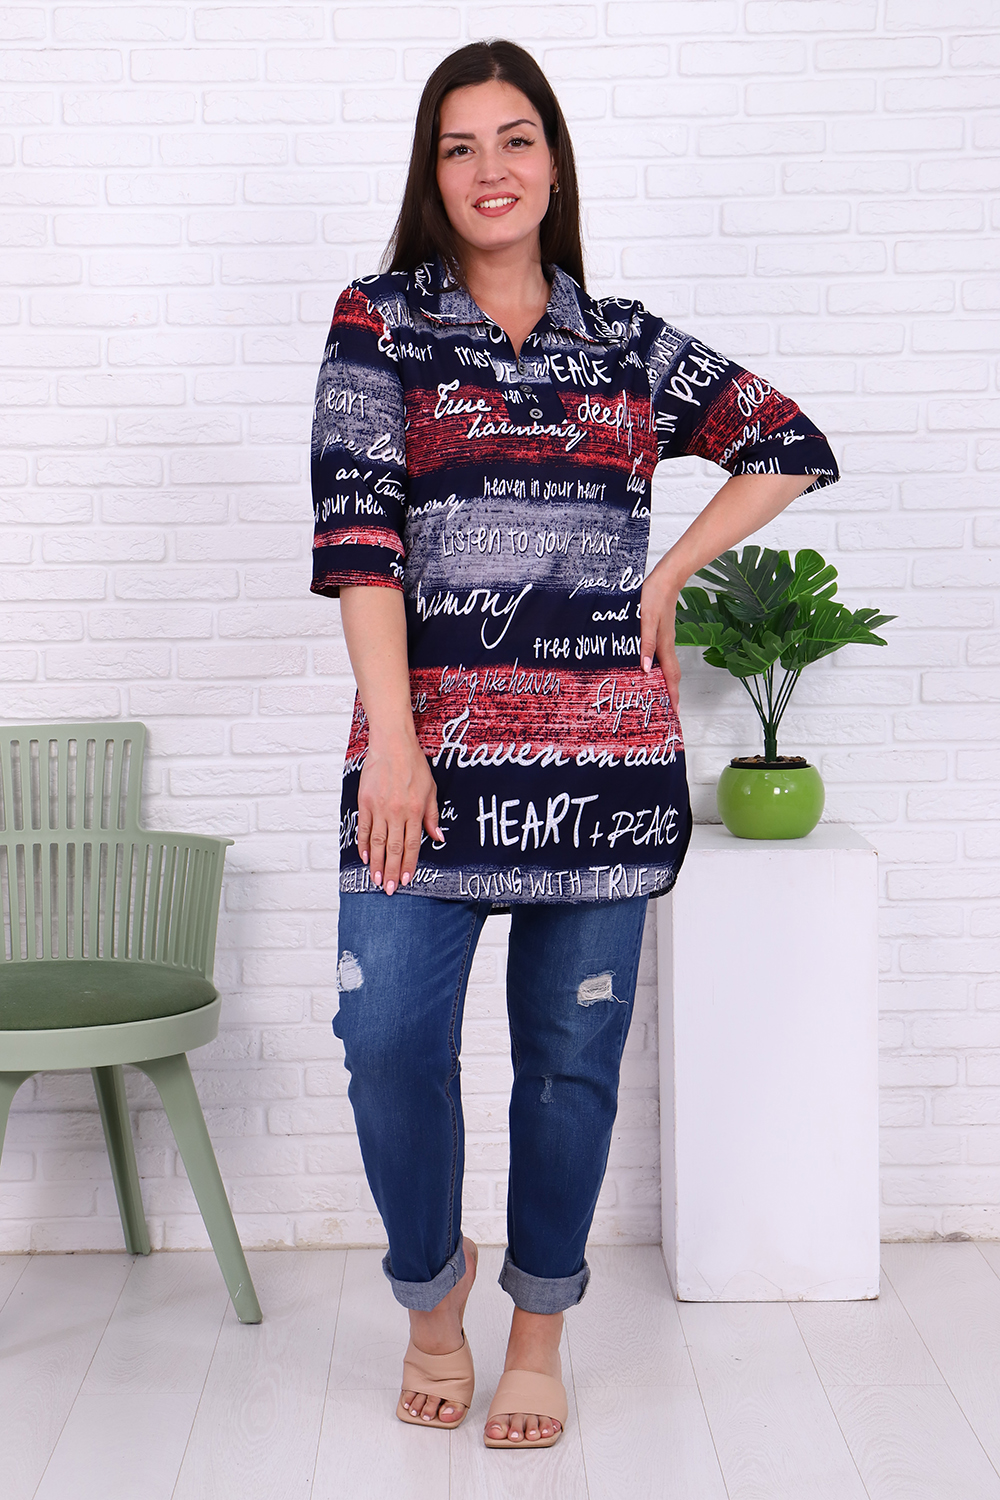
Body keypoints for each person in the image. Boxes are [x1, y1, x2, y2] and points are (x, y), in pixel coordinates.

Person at [310, 39, 838, 1449]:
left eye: (516, 139)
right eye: (460, 146)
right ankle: (434, 1299)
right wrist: (397, 744)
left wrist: (671, 572)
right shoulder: (380, 324)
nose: (490, 169)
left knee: (568, 1063)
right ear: (431, 174)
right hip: (423, 769)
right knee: (385, 1037)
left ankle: (537, 1331)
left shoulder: (626, 343)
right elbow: (360, 546)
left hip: (602, 771)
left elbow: (789, 442)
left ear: (554, 163)